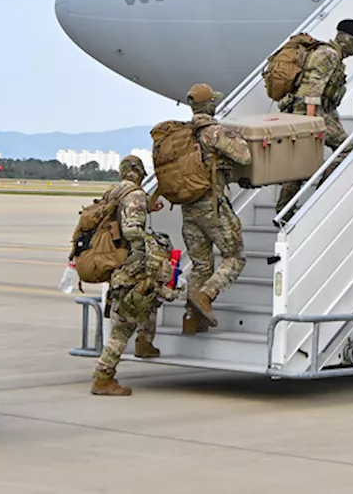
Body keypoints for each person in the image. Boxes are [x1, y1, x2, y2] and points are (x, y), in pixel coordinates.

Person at [274, 19, 353, 222]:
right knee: (346, 150)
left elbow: (328, 100)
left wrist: (335, 122)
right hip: (307, 113)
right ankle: (317, 198)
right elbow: (313, 89)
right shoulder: (329, 55)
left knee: (300, 163)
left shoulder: (331, 55)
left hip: (312, 113)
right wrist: (309, 124)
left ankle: (284, 212)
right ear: (349, 40)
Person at [178, 83, 251, 334]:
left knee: (200, 266)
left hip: (189, 209)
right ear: (210, 105)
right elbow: (244, 156)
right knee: (235, 257)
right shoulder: (214, 132)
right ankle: (206, 296)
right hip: (211, 206)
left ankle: (192, 320)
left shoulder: (182, 134)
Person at [91, 155, 162, 396]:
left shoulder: (113, 193)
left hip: (117, 264)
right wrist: (152, 244)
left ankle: (145, 342)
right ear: (140, 173)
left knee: (151, 298)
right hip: (131, 267)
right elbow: (132, 230)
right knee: (122, 326)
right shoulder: (136, 194)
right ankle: (103, 376)